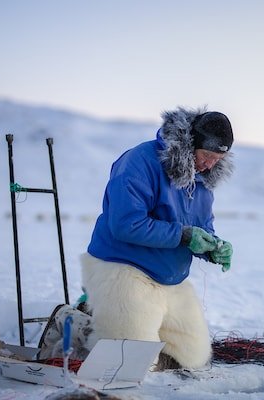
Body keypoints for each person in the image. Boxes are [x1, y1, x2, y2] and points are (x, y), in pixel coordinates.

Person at [81, 107, 234, 370]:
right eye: (207, 155)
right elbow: (126, 224)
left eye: (218, 160)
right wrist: (184, 236)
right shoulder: (140, 162)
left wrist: (212, 247)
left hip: (170, 280)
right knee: (126, 364)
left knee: (193, 358)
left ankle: (126, 330)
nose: (210, 165)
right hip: (124, 270)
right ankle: (78, 324)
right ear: (191, 143)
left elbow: (203, 228)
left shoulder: (202, 181)